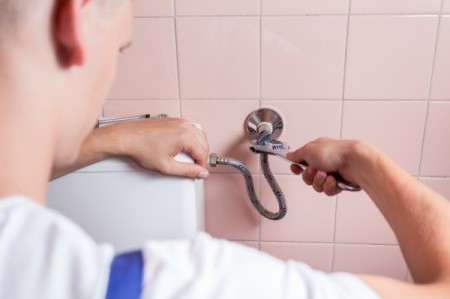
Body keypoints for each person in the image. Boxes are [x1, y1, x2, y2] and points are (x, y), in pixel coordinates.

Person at [0, 0, 449, 298]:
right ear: (75, 19)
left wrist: (109, 138)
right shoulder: (193, 285)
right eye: (121, 49)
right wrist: (362, 160)